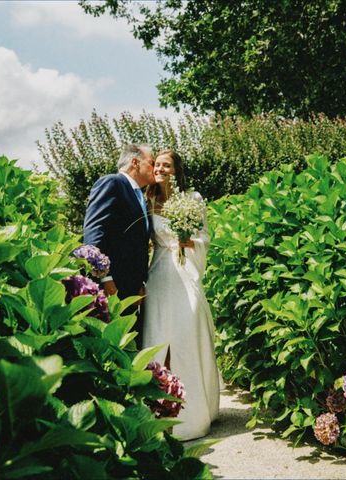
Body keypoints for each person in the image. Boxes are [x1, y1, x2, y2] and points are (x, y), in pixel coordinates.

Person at [142, 150, 220, 441]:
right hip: (160, 272)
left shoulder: (192, 198)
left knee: (187, 332)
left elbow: (204, 237)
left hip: (184, 269)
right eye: (157, 164)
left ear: (176, 170)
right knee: (159, 333)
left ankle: (193, 414)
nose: (161, 168)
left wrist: (190, 241)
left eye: (167, 164)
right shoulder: (146, 199)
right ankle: (157, 410)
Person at [83, 144, 155, 335]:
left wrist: (140, 283)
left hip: (131, 288)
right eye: (152, 163)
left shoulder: (138, 195)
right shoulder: (112, 183)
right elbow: (94, 232)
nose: (155, 168)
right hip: (112, 285)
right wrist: (104, 278)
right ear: (134, 162)